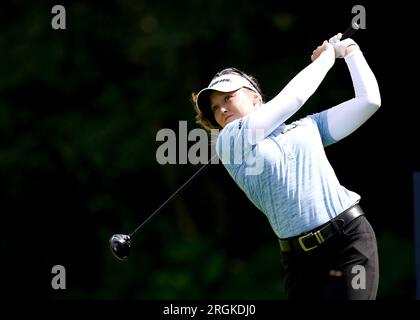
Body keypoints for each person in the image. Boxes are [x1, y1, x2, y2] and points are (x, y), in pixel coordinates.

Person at [191, 33, 381, 300]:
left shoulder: (307, 127)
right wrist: (326, 59)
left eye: (228, 98)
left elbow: (368, 101)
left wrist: (349, 50)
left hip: (348, 242)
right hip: (300, 263)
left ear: (254, 97)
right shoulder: (229, 141)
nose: (221, 110)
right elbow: (293, 98)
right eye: (214, 108)